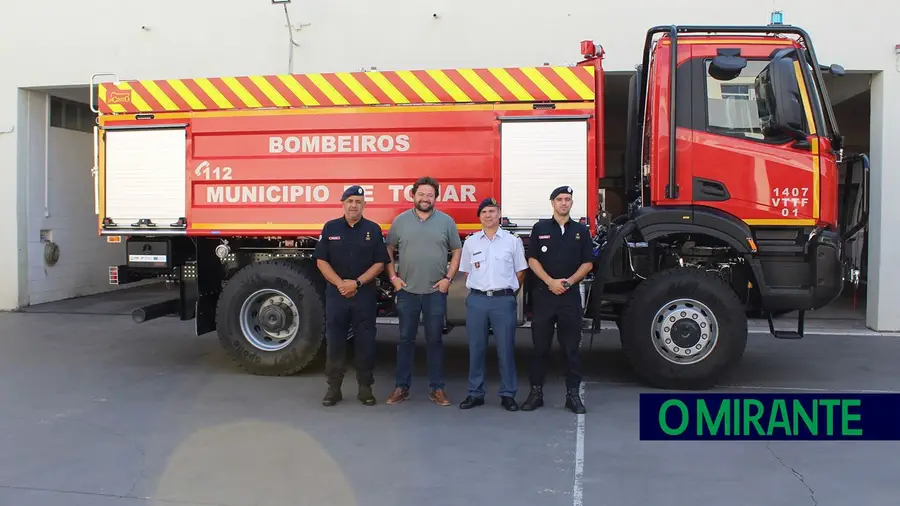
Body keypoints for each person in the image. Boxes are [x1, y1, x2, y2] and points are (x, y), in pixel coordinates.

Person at [384, 176, 462, 406]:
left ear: (435, 198)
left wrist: (448, 278)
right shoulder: (400, 221)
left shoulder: (446, 222)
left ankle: (437, 389)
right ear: (413, 195)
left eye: (430, 195)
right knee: (405, 339)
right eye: (421, 194)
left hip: (435, 292)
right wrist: (393, 278)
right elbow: (388, 249)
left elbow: (457, 250)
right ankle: (401, 387)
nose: (425, 198)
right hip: (407, 291)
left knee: (435, 340)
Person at [313, 185, 391, 407]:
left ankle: (365, 388)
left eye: (358, 201)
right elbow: (321, 260)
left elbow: (379, 262)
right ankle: (333, 389)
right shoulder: (330, 228)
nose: (354, 205)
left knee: (365, 342)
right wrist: (341, 284)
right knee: (335, 342)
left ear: (364, 205)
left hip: (363, 295)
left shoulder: (373, 230)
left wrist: (356, 283)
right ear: (343, 204)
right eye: (350, 201)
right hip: (337, 296)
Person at [521, 185, 593, 414]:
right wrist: (550, 282)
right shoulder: (540, 228)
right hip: (544, 296)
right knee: (539, 348)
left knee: (570, 349)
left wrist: (569, 282)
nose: (564, 203)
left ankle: (572, 395)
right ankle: (535, 393)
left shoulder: (581, 230)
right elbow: (532, 259)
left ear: (571, 203)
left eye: (568, 199)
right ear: (552, 203)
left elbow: (588, 263)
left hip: (569, 298)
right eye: (560, 199)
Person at [458, 197, 528, 411]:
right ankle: (475, 393)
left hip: (502, 300)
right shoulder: (470, 242)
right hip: (478, 300)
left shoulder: (512, 241)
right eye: (484, 212)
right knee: (476, 348)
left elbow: (521, 271)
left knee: (505, 349)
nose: (488, 215)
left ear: (499, 214)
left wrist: (508, 293)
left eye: (492, 211)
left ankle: (508, 394)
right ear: (479, 217)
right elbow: (467, 271)